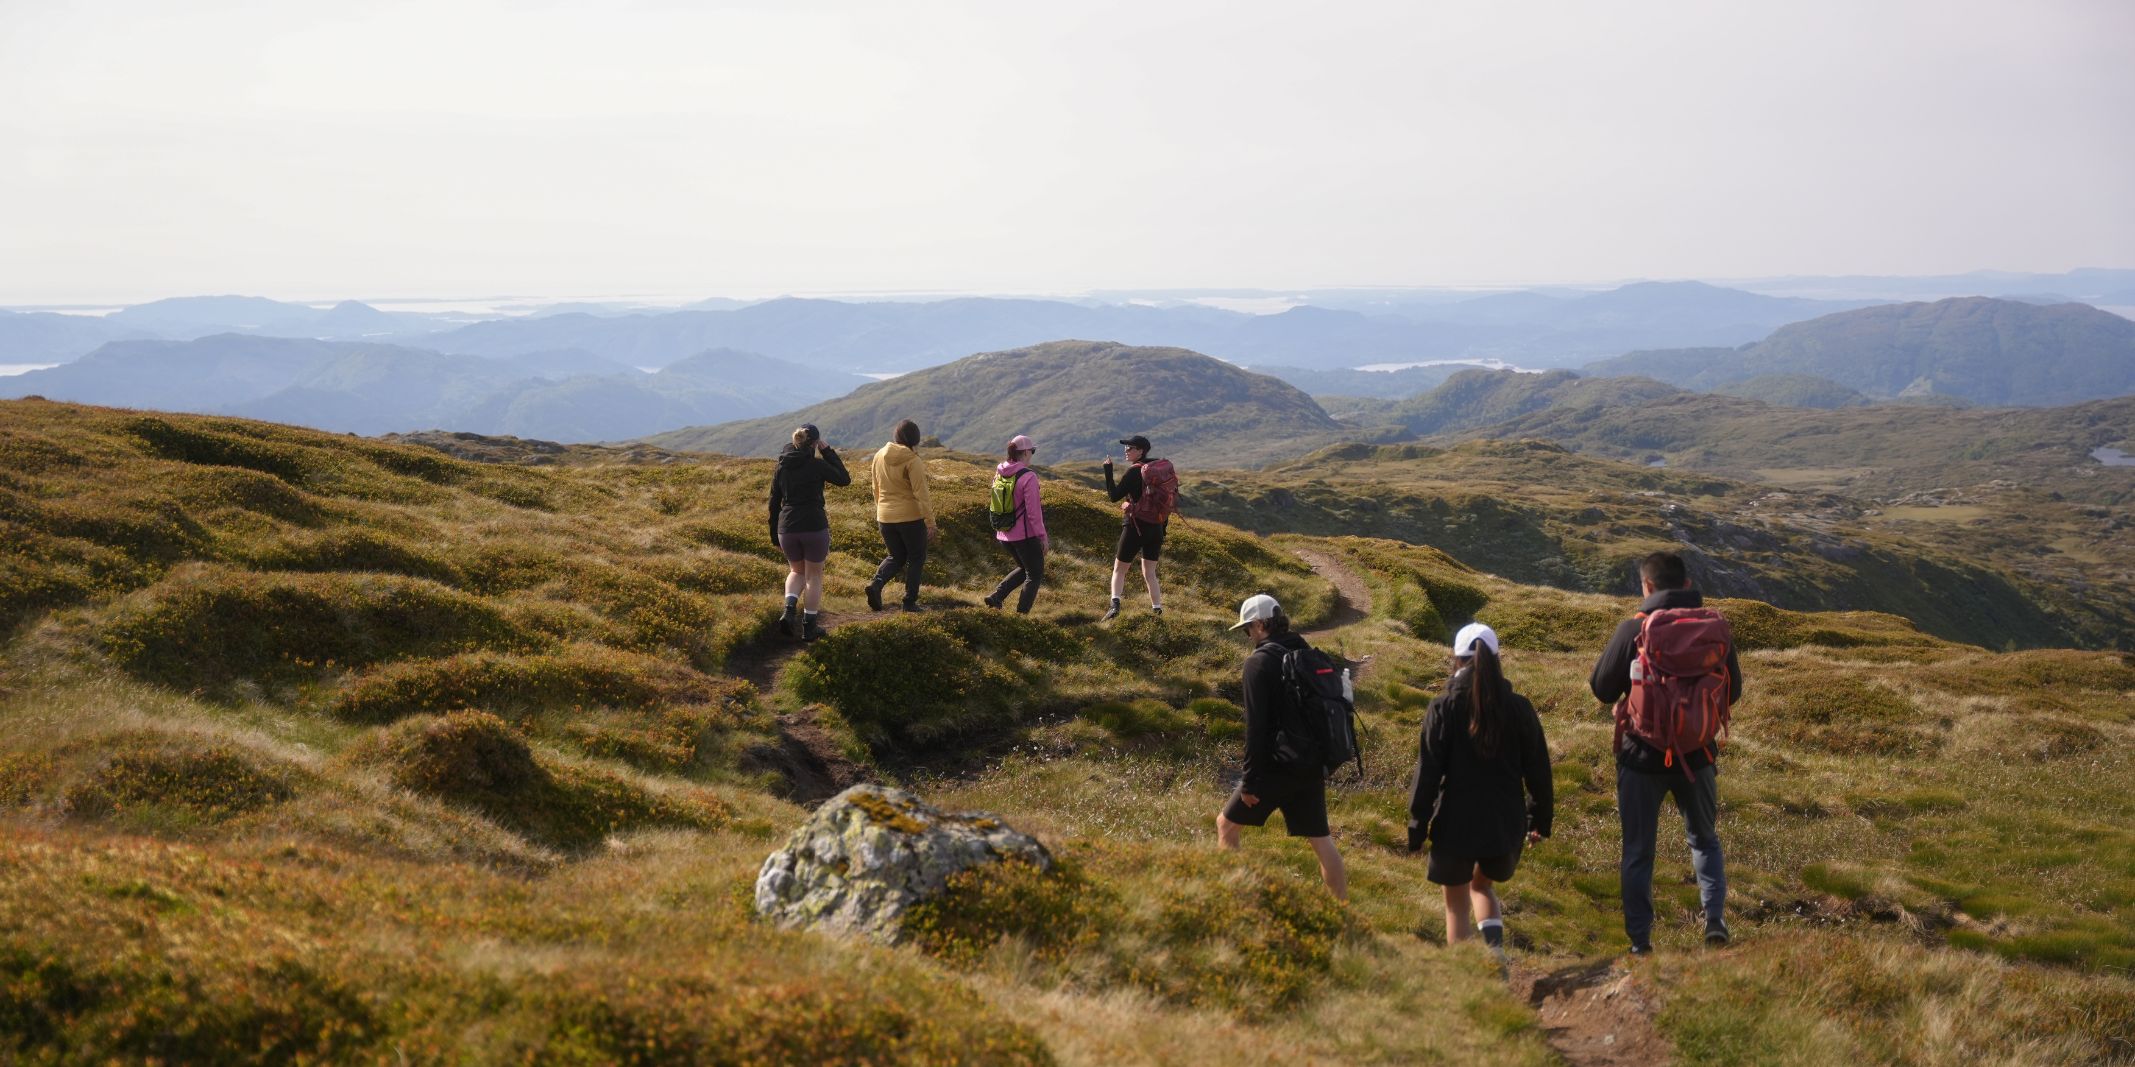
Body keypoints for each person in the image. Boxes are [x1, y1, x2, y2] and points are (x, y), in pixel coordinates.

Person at [1590, 551, 1743, 954]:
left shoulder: (1633, 631)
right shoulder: (1713, 629)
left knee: (1638, 852)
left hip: (1640, 756)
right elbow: (1734, 691)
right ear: (1688, 585)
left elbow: (1601, 689)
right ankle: (1714, 920)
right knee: (1704, 840)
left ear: (1647, 587)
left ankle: (1641, 944)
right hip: (1698, 756)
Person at [1407, 623, 1553, 957]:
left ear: (1456, 659)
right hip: (1505, 826)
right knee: (1481, 885)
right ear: (1496, 659)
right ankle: (1495, 954)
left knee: (1456, 906)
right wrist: (1538, 820)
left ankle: (1468, 978)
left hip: (1455, 824)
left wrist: (1417, 827)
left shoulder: (1443, 707)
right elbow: (1539, 771)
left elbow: (1427, 774)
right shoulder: (1519, 708)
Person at [1217, 593, 1348, 900]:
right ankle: (1344, 911)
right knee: (1321, 841)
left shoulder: (1258, 663)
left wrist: (1250, 781)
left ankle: (1234, 901)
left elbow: (1257, 729)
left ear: (1262, 624)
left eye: (1248, 628)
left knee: (1226, 827)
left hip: (1279, 765)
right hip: (1312, 762)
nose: (1248, 635)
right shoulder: (1305, 652)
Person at [767, 423, 850, 641]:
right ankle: (809, 627)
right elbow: (844, 479)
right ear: (814, 443)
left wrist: (774, 534)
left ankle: (789, 610)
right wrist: (828, 452)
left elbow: (773, 502)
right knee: (814, 576)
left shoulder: (781, 466)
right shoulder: (817, 465)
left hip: (787, 527)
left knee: (796, 572)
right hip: (813, 525)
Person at [1102, 434, 1176, 621]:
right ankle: (1157, 610)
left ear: (1141, 451)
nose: (1126, 451)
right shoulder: (1159, 471)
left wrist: (1108, 471)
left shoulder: (1134, 472)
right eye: (1126, 448)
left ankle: (1114, 606)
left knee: (1119, 570)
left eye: (1130, 448)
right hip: (1156, 528)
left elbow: (1113, 496)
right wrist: (1162, 528)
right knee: (1150, 573)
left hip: (1135, 526)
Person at [866, 419, 936, 613]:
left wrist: (881, 510)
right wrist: (930, 522)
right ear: (915, 439)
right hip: (910, 518)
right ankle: (909, 602)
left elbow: (875, 488)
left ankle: (876, 584)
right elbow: (921, 494)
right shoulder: (913, 460)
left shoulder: (879, 455)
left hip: (885, 516)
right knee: (916, 557)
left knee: (896, 556)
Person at [983, 435, 1048, 614]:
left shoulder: (1000, 471)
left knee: (1024, 567)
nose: (1032, 454)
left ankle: (996, 597)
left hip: (1004, 533)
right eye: (1032, 451)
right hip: (1024, 535)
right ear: (1026, 452)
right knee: (1034, 574)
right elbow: (1034, 514)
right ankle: (1022, 614)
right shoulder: (1028, 477)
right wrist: (1042, 537)